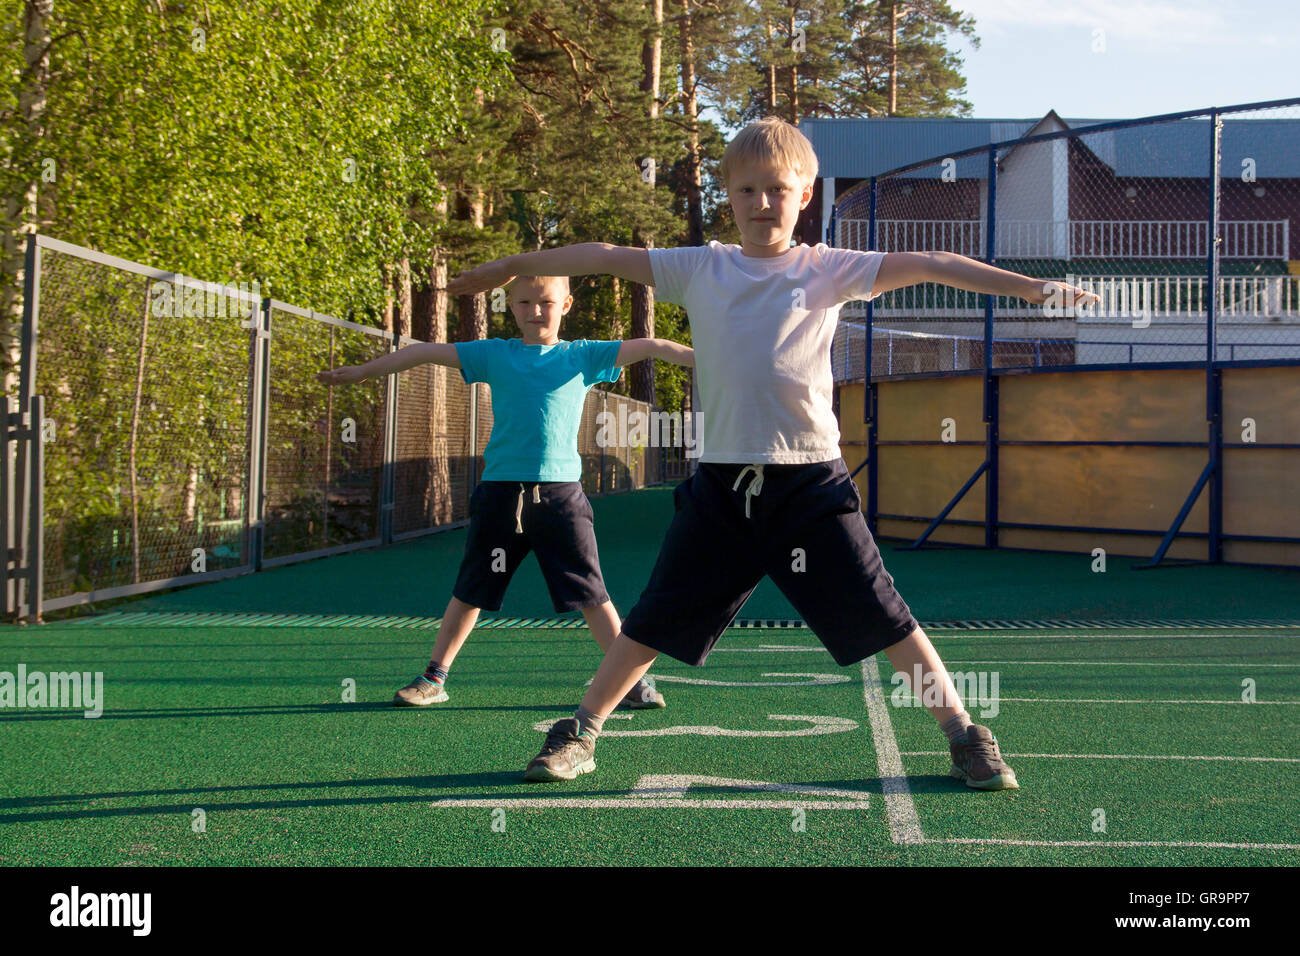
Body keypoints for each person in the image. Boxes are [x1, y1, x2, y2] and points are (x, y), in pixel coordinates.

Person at [448, 117, 1100, 787]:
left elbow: (933, 265)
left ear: (806, 194)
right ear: (727, 195)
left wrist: (1033, 289)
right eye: (747, 191)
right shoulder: (700, 267)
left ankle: (964, 733)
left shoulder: (830, 269)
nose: (763, 204)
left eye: (778, 190)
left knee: (886, 615)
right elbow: (606, 255)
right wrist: (508, 267)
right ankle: (581, 732)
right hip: (723, 488)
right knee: (653, 618)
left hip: (811, 484)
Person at [317, 274, 694, 711]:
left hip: (560, 500)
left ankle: (627, 684)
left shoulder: (584, 355)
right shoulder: (494, 354)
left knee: (592, 594)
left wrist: (717, 360)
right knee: (471, 589)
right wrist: (364, 371)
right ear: (509, 305)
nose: (535, 310)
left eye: (546, 302)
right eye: (524, 302)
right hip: (500, 495)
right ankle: (434, 677)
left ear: (567, 304)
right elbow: (422, 351)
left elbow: (653, 345)